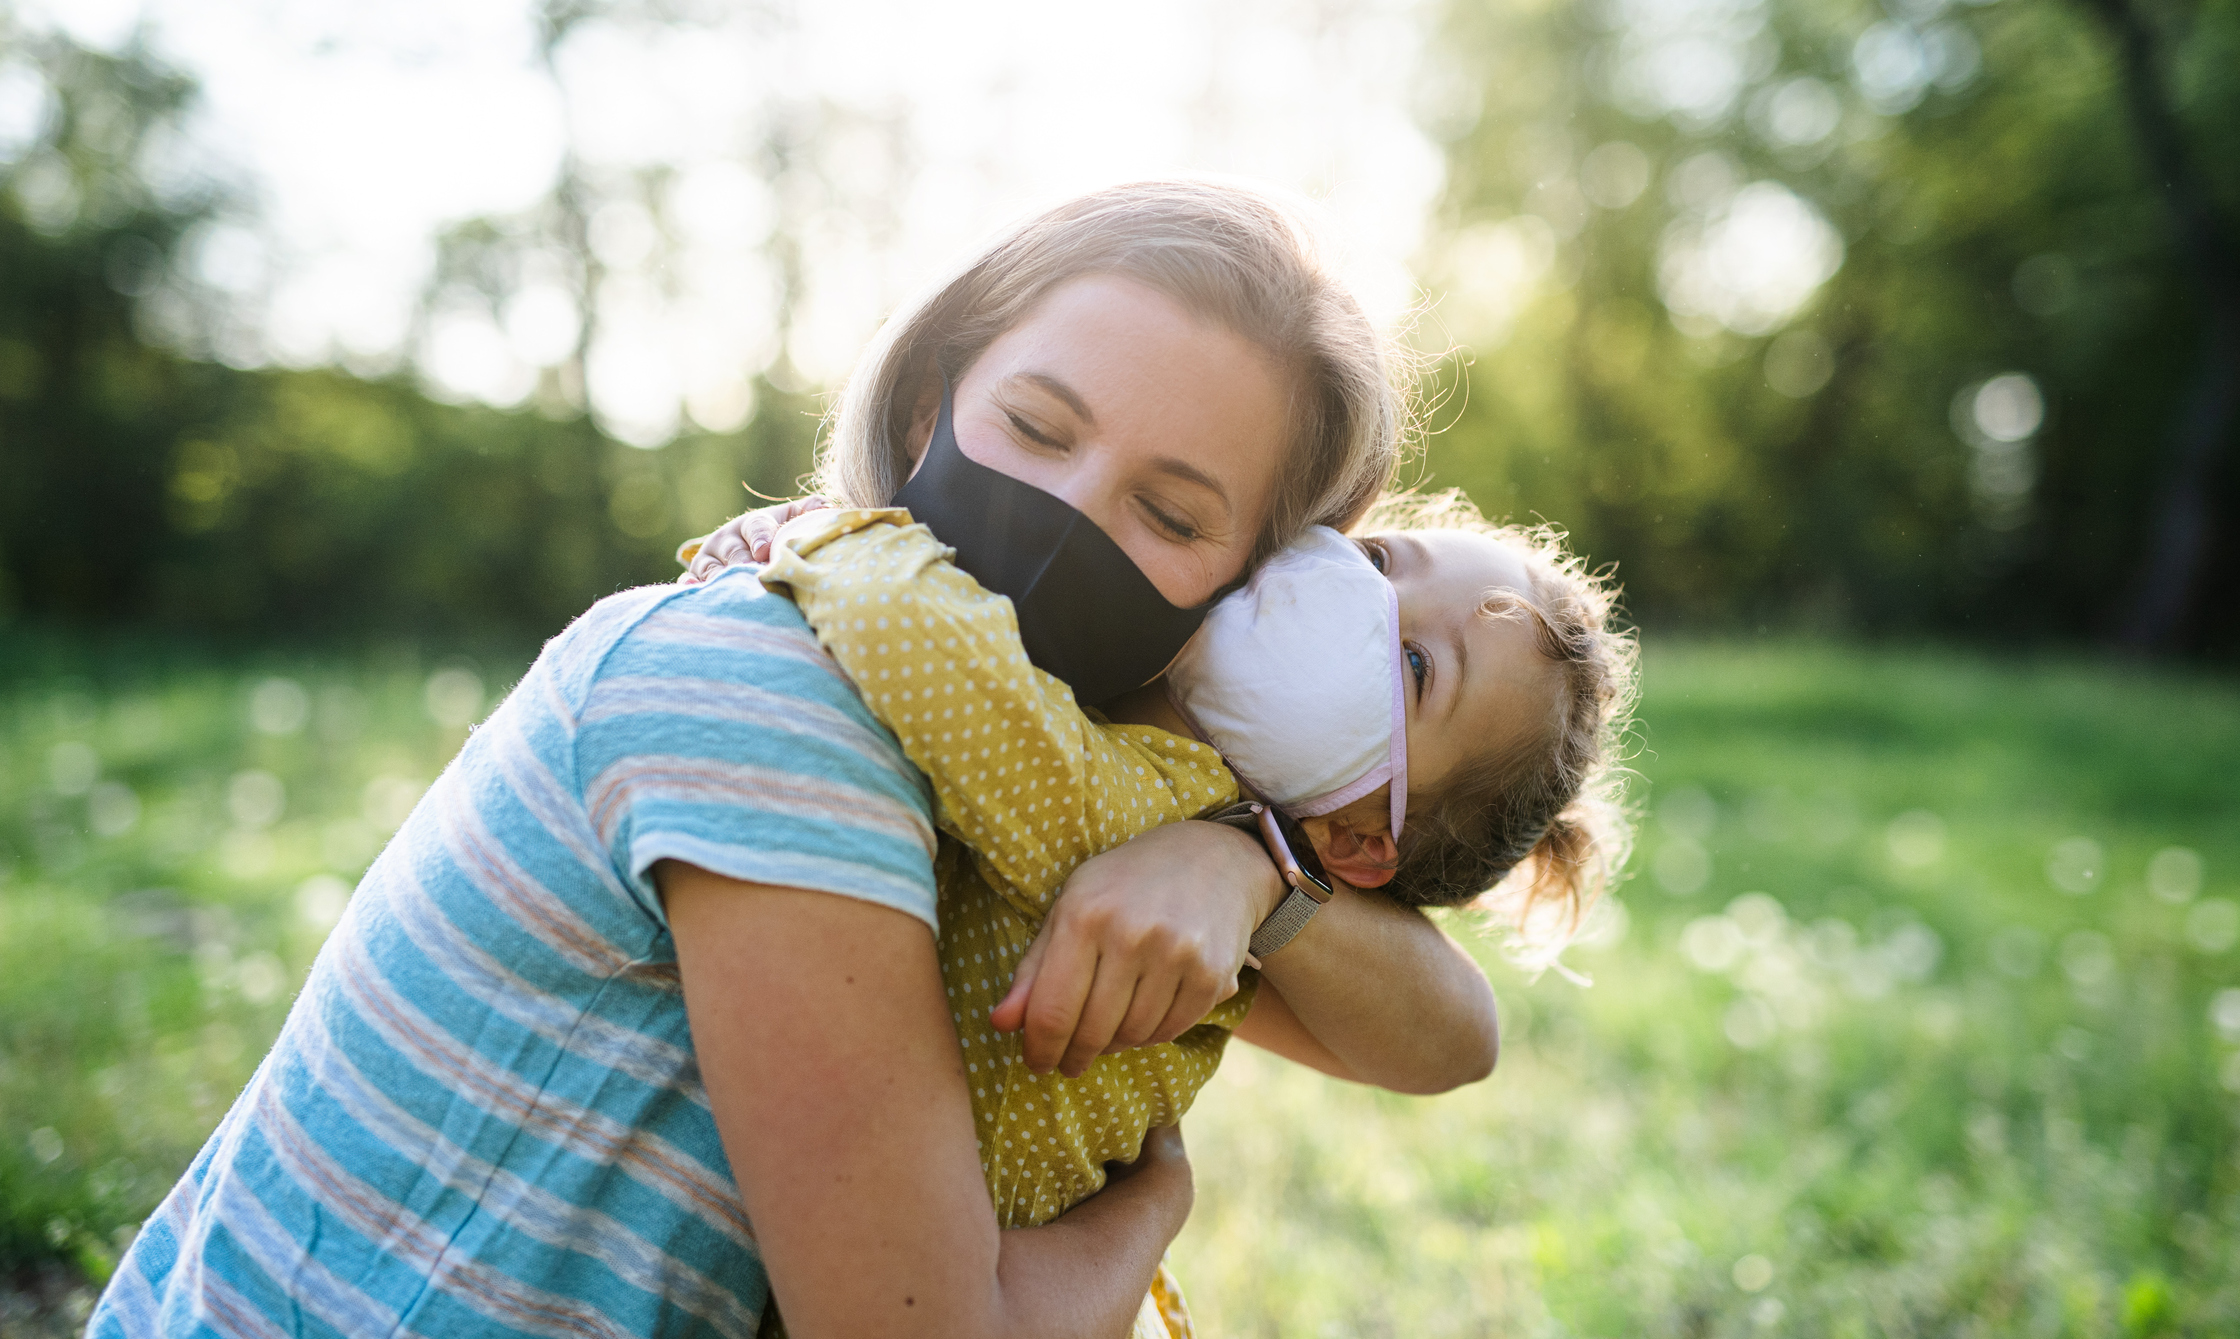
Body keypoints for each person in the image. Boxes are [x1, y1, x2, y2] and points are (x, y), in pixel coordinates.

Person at [90, 180, 1501, 1339]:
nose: (1063, 508)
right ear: (923, 408)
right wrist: (1147, 1212)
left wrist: (1247, 867)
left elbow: (1448, 1033)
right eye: (1036, 425)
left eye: (1171, 510)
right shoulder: (774, 689)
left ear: (1240, 591)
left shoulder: (1030, 778)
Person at [686, 462, 1634, 1332]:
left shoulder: (1153, 801)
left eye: (1416, 665)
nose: (1358, 602)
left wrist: (833, 537)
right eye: (1380, 561)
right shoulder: (1124, 685)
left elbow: (1462, 1038)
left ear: (1356, 838)